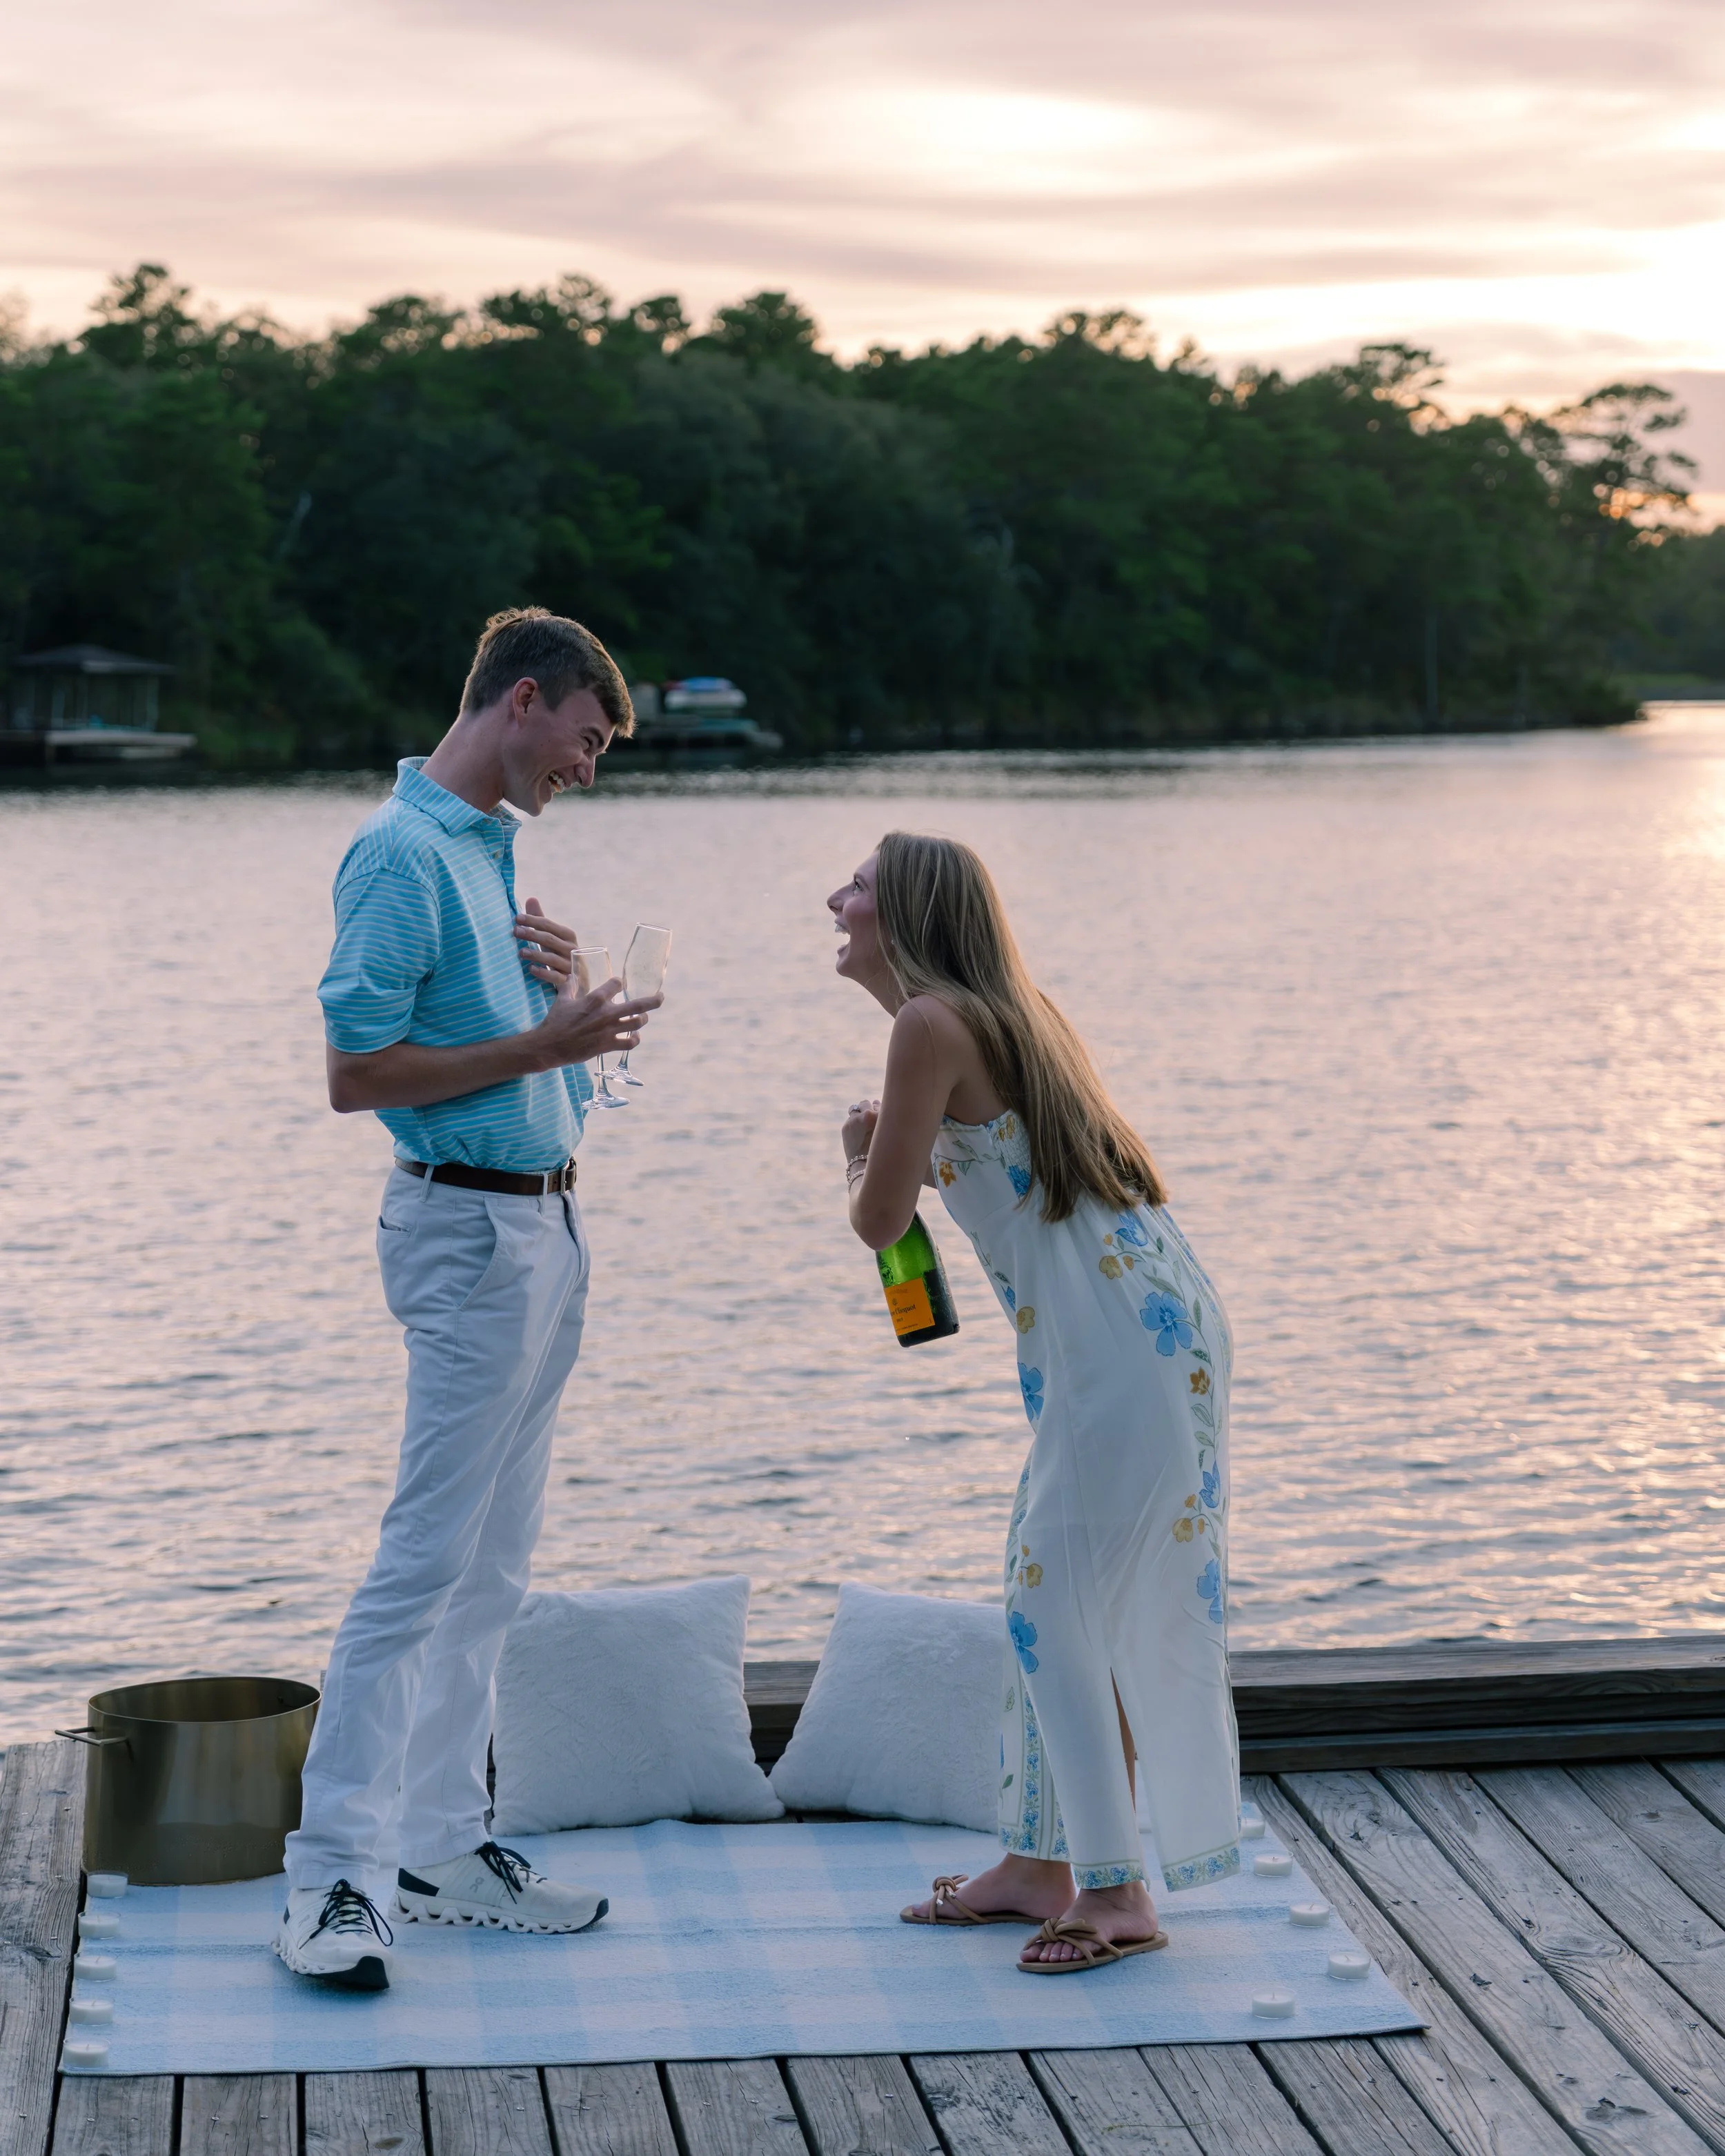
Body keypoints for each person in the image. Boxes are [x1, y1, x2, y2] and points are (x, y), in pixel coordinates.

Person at [275, 609, 661, 1991]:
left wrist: (570, 1024)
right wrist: (545, 1043)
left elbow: (534, 1081)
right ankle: (328, 1876)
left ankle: (442, 1845)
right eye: (587, 740)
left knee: (494, 1566)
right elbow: (355, 1073)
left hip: (546, 1232)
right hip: (467, 1235)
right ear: (523, 699)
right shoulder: (399, 854)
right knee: (422, 1562)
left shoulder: (488, 858)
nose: (587, 769)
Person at [829, 833, 1239, 1974]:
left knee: (1054, 1603)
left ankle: (1113, 1894)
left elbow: (879, 1222)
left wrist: (858, 1153)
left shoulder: (927, 1026)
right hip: (1153, 1322)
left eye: (856, 886)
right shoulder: (1009, 1014)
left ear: (908, 913)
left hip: (1118, 1350)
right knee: (1058, 1593)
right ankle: (1038, 1864)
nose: (835, 900)